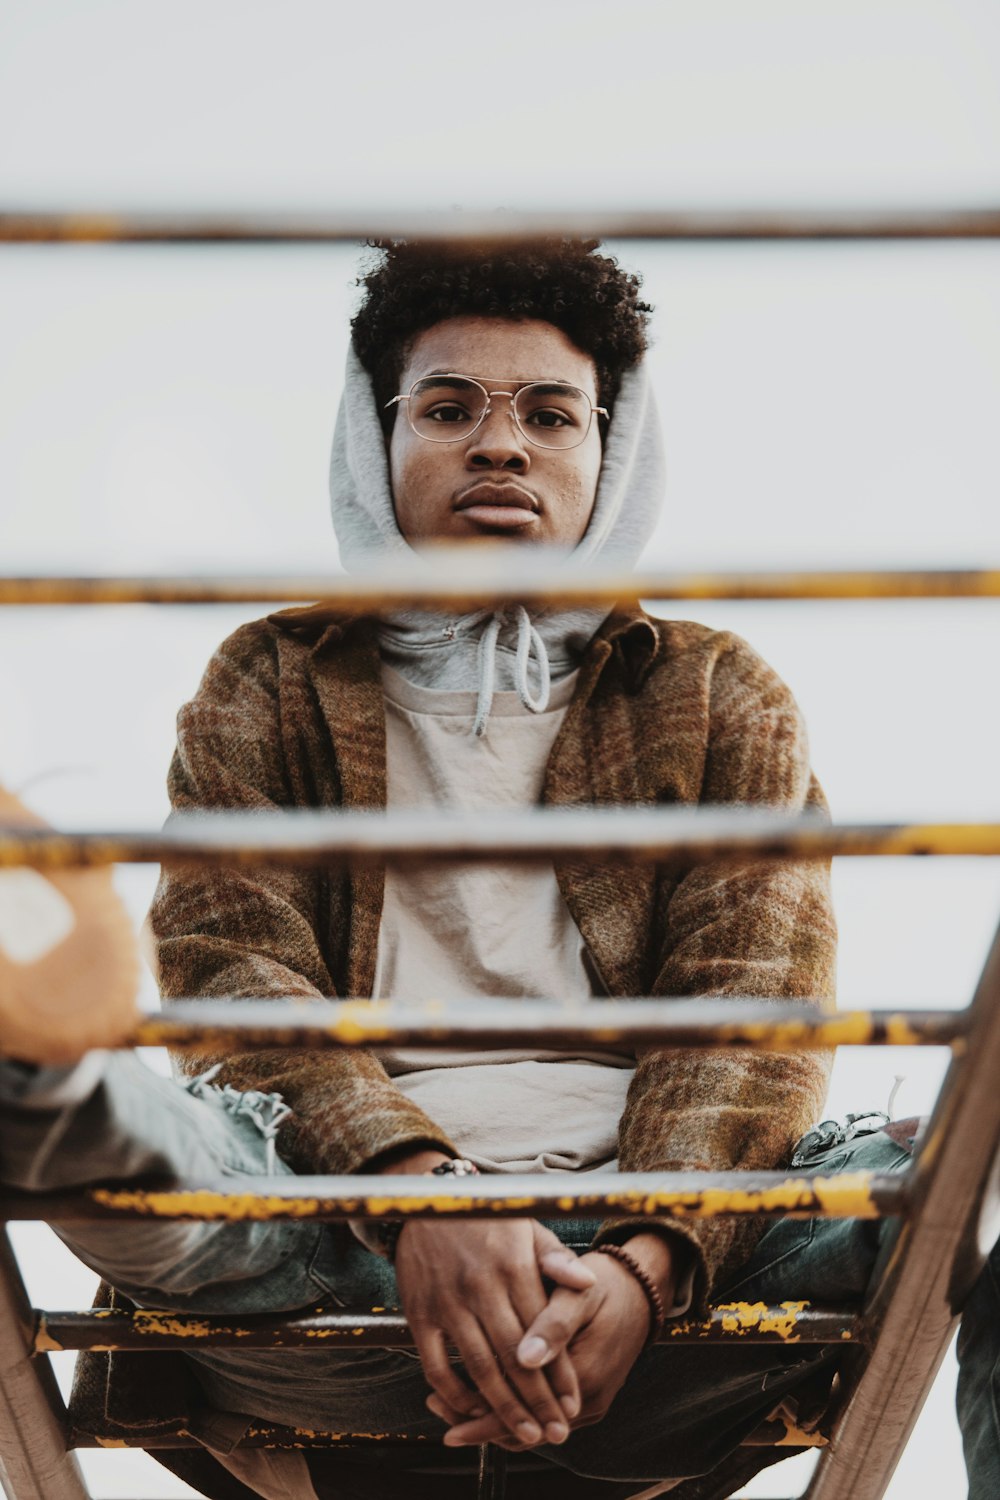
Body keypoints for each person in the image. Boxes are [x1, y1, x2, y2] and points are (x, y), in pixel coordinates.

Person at [0, 240, 919, 1500]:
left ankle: (40, 1080)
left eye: (550, 414)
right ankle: (39, 1069)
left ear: (611, 453)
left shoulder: (711, 689)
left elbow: (748, 1014)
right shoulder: (272, 676)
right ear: (373, 443)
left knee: (947, 1180)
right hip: (329, 1236)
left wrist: (647, 1269)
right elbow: (236, 973)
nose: (501, 446)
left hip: (679, 1270)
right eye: (448, 409)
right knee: (164, 1137)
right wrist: (427, 1202)